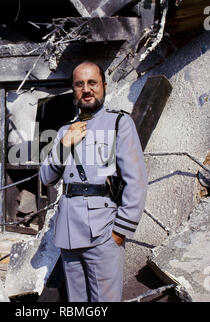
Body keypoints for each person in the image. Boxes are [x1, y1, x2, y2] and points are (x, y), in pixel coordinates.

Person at [39, 61, 147, 302]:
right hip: (69, 232)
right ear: (74, 89)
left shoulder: (119, 123)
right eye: (79, 84)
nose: (86, 89)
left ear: (103, 86)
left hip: (103, 230)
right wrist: (65, 145)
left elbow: (136, 181)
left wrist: (120, 230)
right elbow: (46, 177)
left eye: (92, 83)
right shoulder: (64, 131)